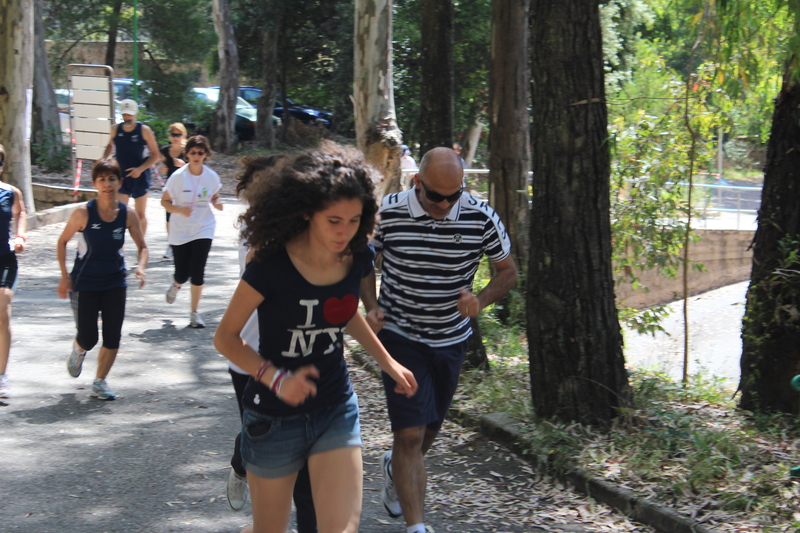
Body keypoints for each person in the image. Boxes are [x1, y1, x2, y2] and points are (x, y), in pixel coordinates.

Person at [213, 142, 418, 533]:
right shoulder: (269, 264)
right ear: (308, 212)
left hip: (334, 407)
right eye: (334, 221)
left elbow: (343, 311)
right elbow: (225, 338)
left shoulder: (355, 257)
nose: (345, 232)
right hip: (273, 418)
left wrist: (387, 362)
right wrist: (276, 378)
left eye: (355, 221)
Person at [361, 147, 518, 533]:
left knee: (428, 431)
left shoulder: (481, 216)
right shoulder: (390, 211)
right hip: (399, 335)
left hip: (450, 339)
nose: (445, 205)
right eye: (435, 196)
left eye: (453, 195)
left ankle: (394, 466)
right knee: (410, 433)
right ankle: (417, 527)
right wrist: (371, 304)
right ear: (418, 182)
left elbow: (508, 271)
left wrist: (479, 300)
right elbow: (363, 261)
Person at [224, 154, 317, 532]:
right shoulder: (256, 240)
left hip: (298, 358)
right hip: (249, 358)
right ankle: (240, 463)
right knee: (258, 432)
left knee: (306, 471)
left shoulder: (307, 230)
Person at [57, 158, 149, 400]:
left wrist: (140, 267)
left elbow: (143, 247)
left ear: (119, 182)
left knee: (112, 336)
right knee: (89, 337)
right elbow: (62, 241)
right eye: (102, 179)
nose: (107, 184)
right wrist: (64, 276)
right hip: (84, 283)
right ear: (95, 183)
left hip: (115, 282)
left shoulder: (127, 214)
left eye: (111, 179)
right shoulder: (83, 213)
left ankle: (100, 382)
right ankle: (79, 349)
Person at [161, 135, 223, 329]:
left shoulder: (211, 176)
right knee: (182, 273)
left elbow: (215, 196)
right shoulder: (178, 177)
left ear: (206, 154)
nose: (197, 156)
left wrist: (217, 202)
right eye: (193, 152)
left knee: (198, 271)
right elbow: (164, 202)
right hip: (180, 230)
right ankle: (176, 284)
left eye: (200, 152)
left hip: (204, 228)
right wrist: (180, 210)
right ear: (187, 154)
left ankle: (194, 314)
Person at [102, 99, 160, 237]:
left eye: (130, 114)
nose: (127, 118)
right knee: (119, 213)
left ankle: (141, 247)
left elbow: (156, 155)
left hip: (140, 177)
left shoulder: (144, 130)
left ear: (136, 114)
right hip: (121, 177)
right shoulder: (115, 129)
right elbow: (110, 145)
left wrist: (140, 169)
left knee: (140, 215)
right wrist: (104, 160)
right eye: (125, 114)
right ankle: (118, 249)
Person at [0, 144, 27, 401]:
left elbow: (21, 213)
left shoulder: (10, 192)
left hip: (5, 260)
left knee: (2, 314)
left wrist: (20, 235)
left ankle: (1, 376)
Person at [159, 122, 188, 260]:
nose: (176, 137)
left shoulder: (188, 150)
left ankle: (186, 243)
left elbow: (197, 166)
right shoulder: (165, 150)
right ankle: (171, 244)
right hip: (170, 187)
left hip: (187, 188)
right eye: (173, 134)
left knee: (185, 215)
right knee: (169, 216)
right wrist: (163, 169)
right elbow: (163, 165)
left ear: (184, 135)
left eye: (178, 134)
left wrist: (184, 165)